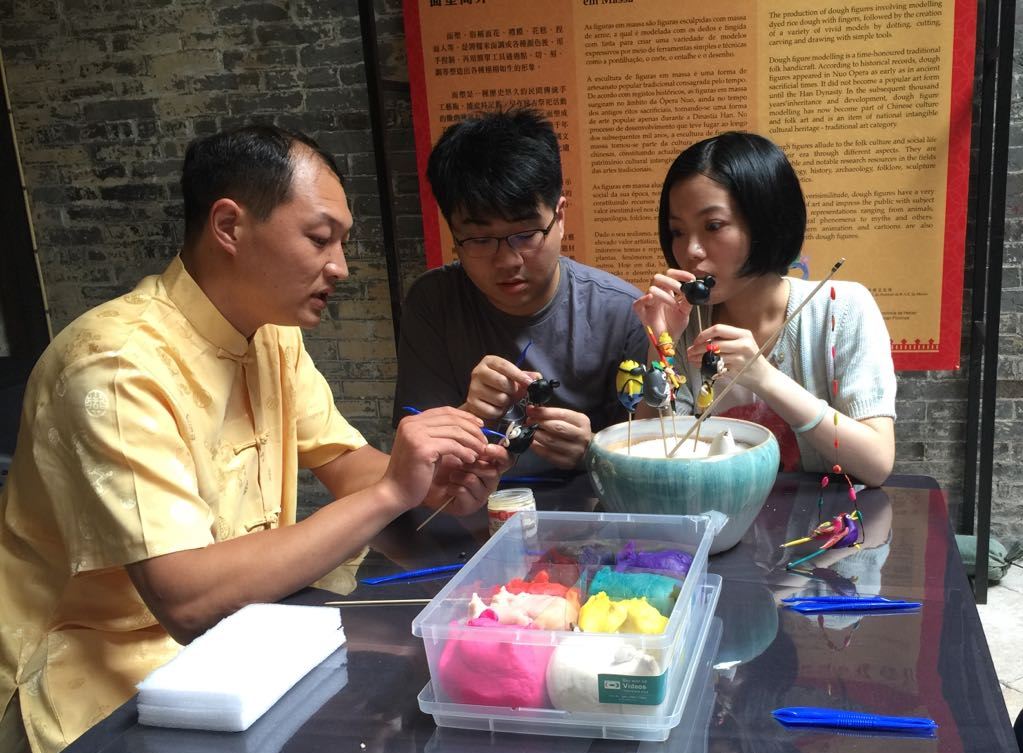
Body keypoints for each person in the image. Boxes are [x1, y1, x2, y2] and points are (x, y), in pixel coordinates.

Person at [0, 125, 509, 753]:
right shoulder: (115, 367)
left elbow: (344, 460)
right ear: (228, 226)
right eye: (319, 238)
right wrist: (391, 494)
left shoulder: (272, 335)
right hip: (107, 681)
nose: (340, 267)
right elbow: (187, 601)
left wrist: (430, 479)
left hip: (254, 640)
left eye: (342, 243)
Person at [393, 108, 648, 477]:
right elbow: (416, 460)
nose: (508, 261)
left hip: (590, 507)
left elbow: (652, 459)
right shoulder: (433, 303)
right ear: (454, 233)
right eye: (479, 239)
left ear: (560, 216)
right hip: (471, 503)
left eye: (526, 234)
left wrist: (595, 450)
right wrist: (469, 413)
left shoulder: (623, 312)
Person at [634, 132, 895, 485]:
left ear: (766, 222)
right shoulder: (684, 322)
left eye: (713, 226)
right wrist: (660, 348)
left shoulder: (842, 308)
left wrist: (765, 378)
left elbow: (876, 463)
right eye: (678, 232)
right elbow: (651, 462)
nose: (691, 250)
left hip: (823, 518)